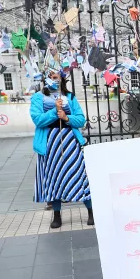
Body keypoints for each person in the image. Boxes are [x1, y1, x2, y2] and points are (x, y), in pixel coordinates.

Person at [30, 70, 93, 229]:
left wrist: (66, 118)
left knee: (80, 176)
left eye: (56, 77)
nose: (54, 80)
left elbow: (80, 119)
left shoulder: (70, 97)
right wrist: (54, 112)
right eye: (50, 77)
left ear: (62, 79)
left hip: (70, 143)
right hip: (50, 145)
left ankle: (91, 211)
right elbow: (38, 119)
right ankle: (57, 215)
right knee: (54, 178)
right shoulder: (38, 97)